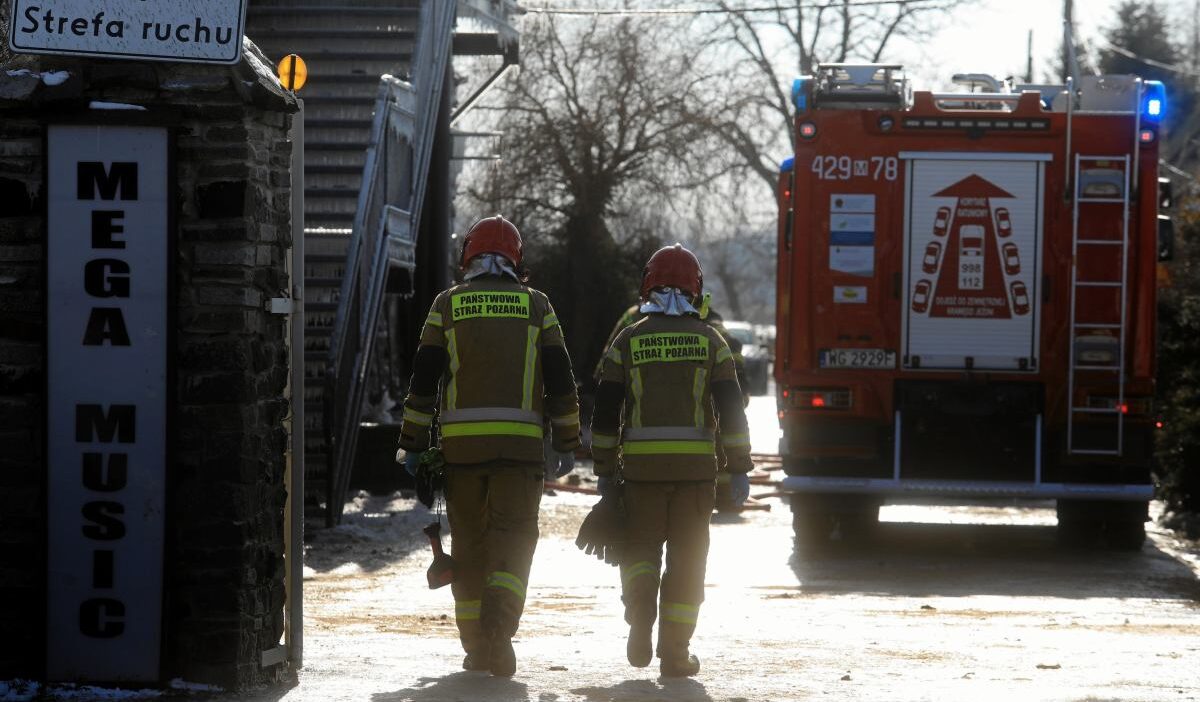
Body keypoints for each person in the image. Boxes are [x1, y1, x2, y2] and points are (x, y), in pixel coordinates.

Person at [397, 215, 581, 677]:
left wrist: (412, 446)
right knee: (513, 542)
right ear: (517, 261)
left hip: (462, 456)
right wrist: (567, 440)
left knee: (471, 548)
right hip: (520, 455)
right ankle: (500, 632)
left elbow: (423, 382)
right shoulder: (538, 306)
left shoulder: (446, 305)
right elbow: (561, 378)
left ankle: (477, 646)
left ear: (468, 258)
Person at [589, 244, 753, 677]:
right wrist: (738, 467)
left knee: (640, 551)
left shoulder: (627, 339)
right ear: (696, 289)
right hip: (696, 477)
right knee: (688, 561)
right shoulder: (711, 341)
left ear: (648, 285)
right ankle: (676, 655)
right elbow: (731, 411)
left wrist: (604, 470)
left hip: (640, 475)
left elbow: (604, 412)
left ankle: (640, 616)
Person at [593, 296, 752, 512]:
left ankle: (725, 495)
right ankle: (726, 498)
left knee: (643, 539)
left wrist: (605, 467)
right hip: (696, 461)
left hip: (640, 461)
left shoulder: (632, 322)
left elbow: (607, 375)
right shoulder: (709, 326)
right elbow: (729, 352)